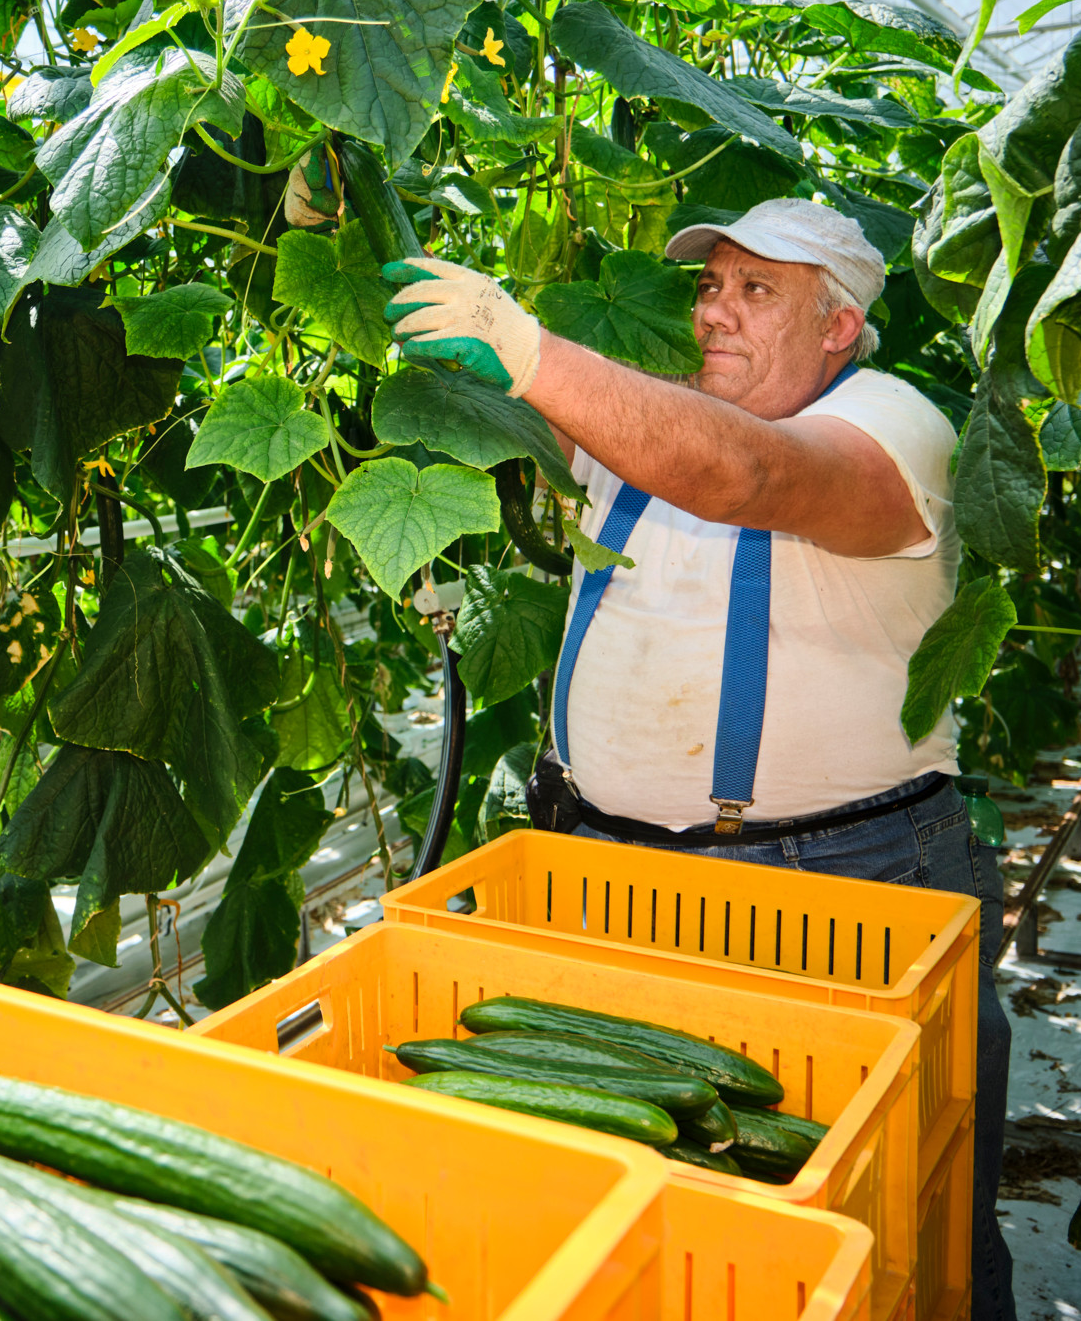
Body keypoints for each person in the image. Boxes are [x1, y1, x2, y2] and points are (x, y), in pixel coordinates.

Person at [384, 198, 1013, 1321]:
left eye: (755, 290)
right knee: (655, 1227)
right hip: (605, 873)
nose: (715, 310)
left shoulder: (892, 424)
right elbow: (564, 411)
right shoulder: (660, 414)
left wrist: (527, 344)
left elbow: (749, 478)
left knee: (883, 1227)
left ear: (838, 324)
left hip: (839, 885)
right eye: (709, 284)